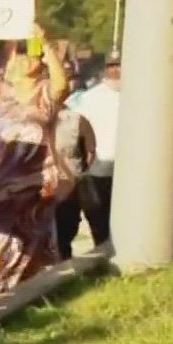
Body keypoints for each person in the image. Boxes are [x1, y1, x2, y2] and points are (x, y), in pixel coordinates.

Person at [0, 27, 74, 295]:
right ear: (8, 65)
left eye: (32, 53)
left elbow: (62, 83)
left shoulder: (46, 91)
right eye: (19, 54)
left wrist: (46, 42)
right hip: (2, 174)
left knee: (32, 235)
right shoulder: (1, 92)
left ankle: (28, 292)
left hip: (36, 174)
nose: (26, 57)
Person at [69, 53, 120, 252]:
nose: (116, 70)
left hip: (130, 170)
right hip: (97, 168)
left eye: (120, 65)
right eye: (112, 66)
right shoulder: (88, 99)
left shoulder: (141, 95)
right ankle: (104, 253)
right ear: (104, 69)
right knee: (99, 217)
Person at [52, 68, 99, 261]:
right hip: (66, 185)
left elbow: (90, 151)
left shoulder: (77, 120)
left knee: (60, 234)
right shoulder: (77, 120)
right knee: (64, 233)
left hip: (58, 187)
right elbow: (90, 152)